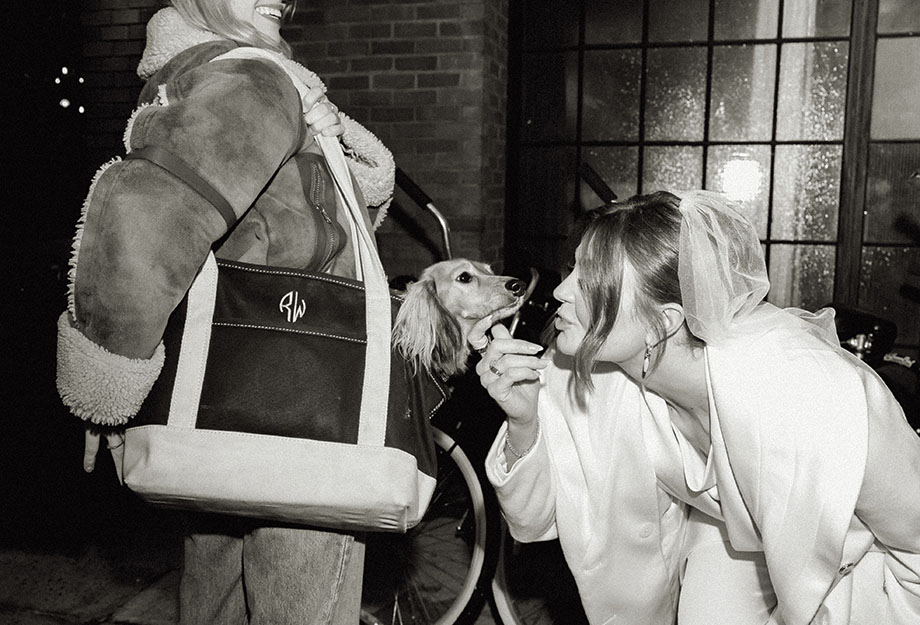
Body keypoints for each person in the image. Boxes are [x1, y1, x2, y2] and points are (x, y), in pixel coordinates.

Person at [55, 1, 396, 623]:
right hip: (299, 405)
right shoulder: (249, 80)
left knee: (217, 596)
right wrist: (106, 381)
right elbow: (143, 220)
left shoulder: (219, 74)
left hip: (225, 398)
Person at [472, 190, 920, 624]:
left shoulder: (807, 397)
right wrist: (525, 419)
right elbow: (532, 523)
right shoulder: (589, 368)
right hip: (727, 535)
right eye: (573, 269)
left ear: (662, 323)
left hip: (868, 563)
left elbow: (915, 541)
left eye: (589, 278)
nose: (562, 290)